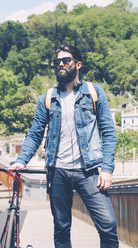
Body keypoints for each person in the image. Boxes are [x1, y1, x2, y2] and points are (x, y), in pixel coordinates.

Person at [11, 44, 119, 248]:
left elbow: (108, 131)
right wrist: (21, 160)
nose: (60, 64)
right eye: (57, 62)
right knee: (61, 228)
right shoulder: (48, 97)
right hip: (57, 171)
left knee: (108, 225)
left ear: (78, 64)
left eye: (65, 61)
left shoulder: (94, 92)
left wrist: (106, 168)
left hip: (89, 171)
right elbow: (35, 133)